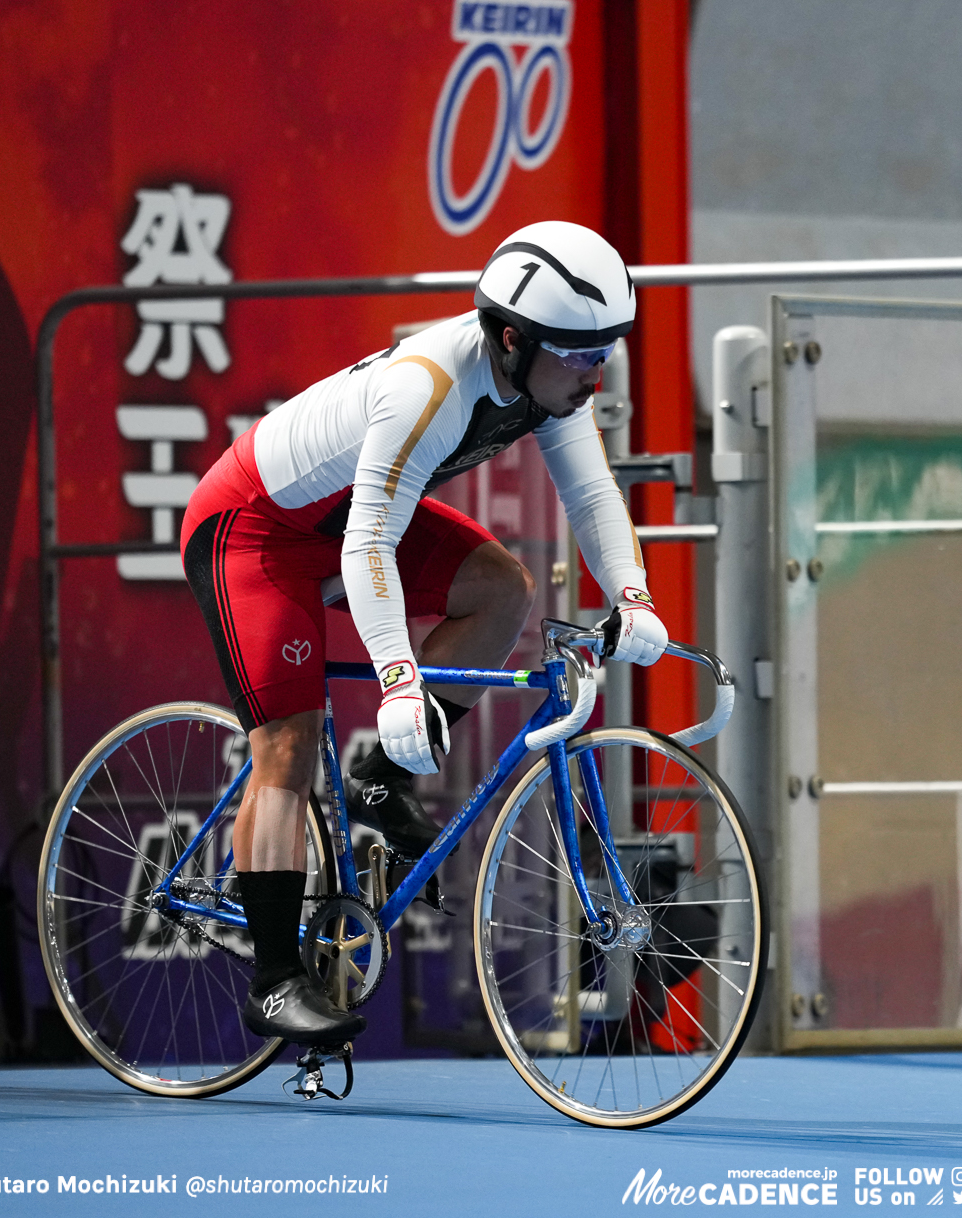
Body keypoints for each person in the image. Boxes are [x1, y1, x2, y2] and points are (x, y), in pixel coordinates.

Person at [178, 221, 667, 1045]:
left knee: (501, 590)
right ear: (511, 340)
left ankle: (373, 777)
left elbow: (590, 497)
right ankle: (270, 980)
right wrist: (400, 681)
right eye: (581, 353)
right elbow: (369, 543)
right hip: (253, 529)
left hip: (340, 517)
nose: (597, 370)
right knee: (288, 751)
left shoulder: (549, 381)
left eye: (606, 349)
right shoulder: (430, 387)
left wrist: (634, 594)